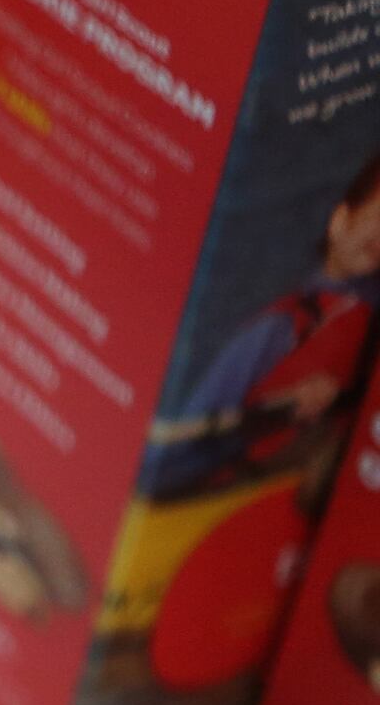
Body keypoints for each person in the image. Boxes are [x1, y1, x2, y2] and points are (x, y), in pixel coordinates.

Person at [145, 150, 380, 502]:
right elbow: (168, 452)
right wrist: (278, 407)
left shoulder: (364, 314)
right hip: (240, 488)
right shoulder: (276, 327)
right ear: (341, 220)